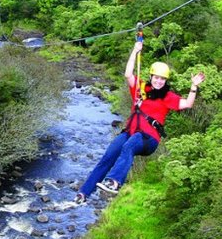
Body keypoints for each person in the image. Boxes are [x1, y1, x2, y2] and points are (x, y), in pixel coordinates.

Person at [76, 39, 205, 203]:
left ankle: (115, 181)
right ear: (151, 77)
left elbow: (187, 103)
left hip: (149, 140)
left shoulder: (167, 96)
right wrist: (135, 51)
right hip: (130, 133)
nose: (159, 81)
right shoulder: (141, 89)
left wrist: (193, 87)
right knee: (108, 156)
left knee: (131, 144)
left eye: (162, 79)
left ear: (165, 81)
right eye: (156, 78)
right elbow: (128, 74)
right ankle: (83, 193)